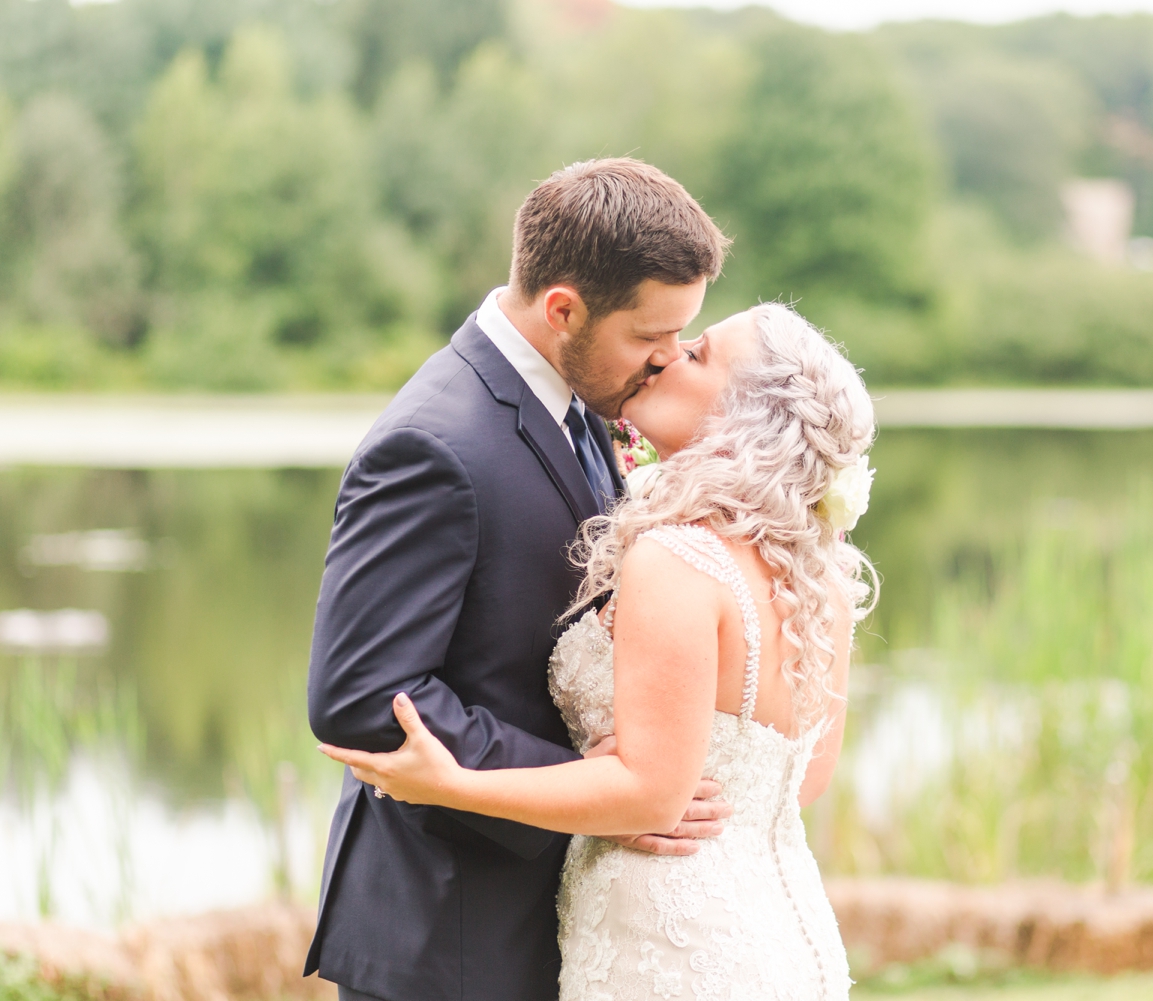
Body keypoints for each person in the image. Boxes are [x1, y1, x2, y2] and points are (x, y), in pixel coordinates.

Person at [320, 301, 878, 1001]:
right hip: (775, 926)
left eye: (699, 354)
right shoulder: (821, 573)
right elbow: (803, 778)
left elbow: (649, 789)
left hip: (665, 933)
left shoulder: (677, 558)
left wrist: (453, 781)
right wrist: (678, 783)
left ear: (744, 419)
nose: (672, 354)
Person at [303, 158, 734, 1001]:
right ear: (563, 308)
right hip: (451, 933)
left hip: (538, 916)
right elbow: (360, 696)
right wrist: (595, 779)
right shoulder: (434, 444)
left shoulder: (578, 400)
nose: (666, 361)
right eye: (650, 337)